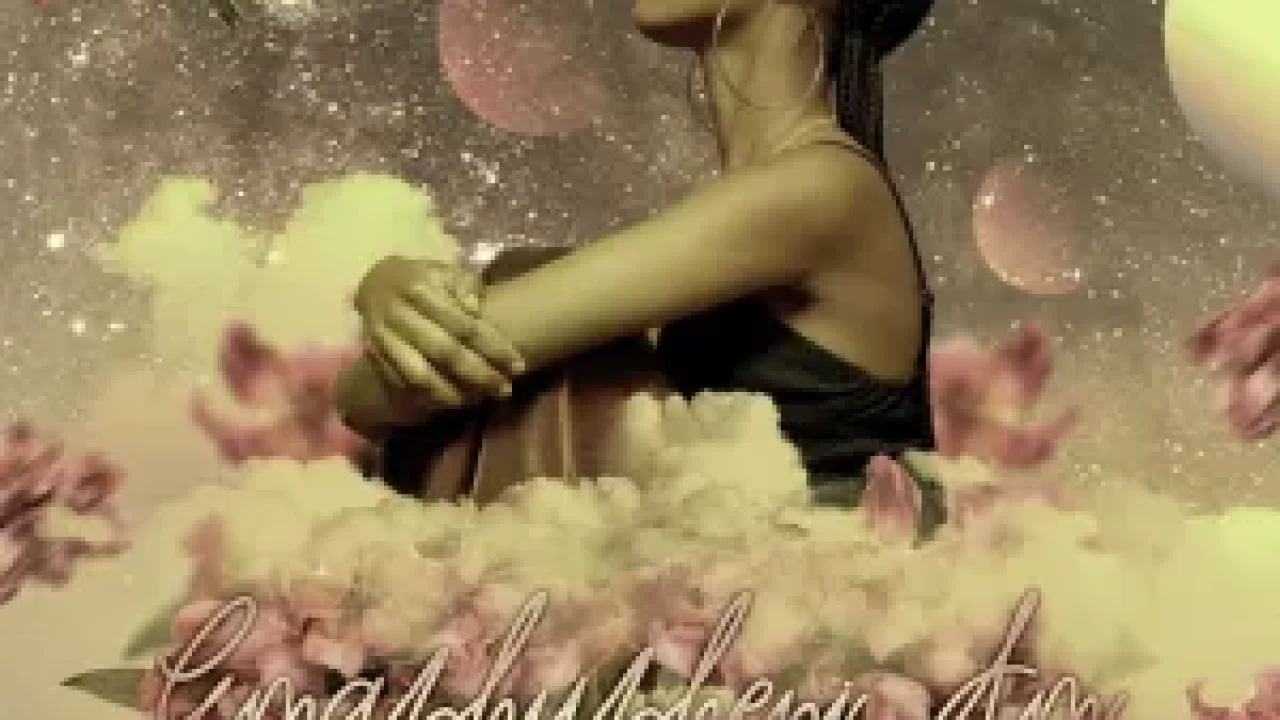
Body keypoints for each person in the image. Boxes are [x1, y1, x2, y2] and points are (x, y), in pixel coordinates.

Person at [335, 0, 943, 527]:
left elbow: (374, 396)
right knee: (532, 291)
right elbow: (375, 394)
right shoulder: (780, 201)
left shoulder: (822, 189)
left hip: (804, 607)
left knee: (525, 292)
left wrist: (385, 293)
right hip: (709, 592)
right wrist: (388, 290)